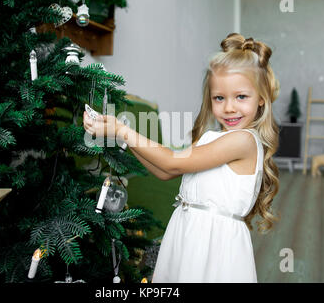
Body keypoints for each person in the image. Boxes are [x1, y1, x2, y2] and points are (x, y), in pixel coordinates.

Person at [83, 33, 280, 283]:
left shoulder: (243, 141)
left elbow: (173, 161)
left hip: (213, 245)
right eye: (219, 98)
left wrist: (122, 130)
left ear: (261, 98)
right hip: (186, 233)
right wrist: (122, 137)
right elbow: (166, 172)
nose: (229, 107)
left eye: (241, 97)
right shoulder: (211, 137)